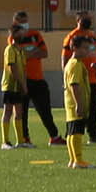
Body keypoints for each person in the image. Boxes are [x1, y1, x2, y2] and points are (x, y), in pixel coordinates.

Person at [12, 10, 60, 145]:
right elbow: (18, 56)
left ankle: (54, 136)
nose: (25, 24)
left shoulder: (35, 35)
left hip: (38, 79)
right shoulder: (13, 38)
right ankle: (25, 138)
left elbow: (44, 53)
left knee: (45, 110)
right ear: (15, 23)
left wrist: (28, 54)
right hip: (23, 79)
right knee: (23, 111)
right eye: (21, 22)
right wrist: (34, 52)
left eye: (26, 21)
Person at [60, 12, 96, 145]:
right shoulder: (72, 36)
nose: (88, 21)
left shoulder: (92, 35)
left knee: (92, 108)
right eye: (86, 19)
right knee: (78, 107)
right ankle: (71, 133)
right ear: (78, 20)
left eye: (89, 19)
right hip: (78, 77)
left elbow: (94, 56)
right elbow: (65, 57)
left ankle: (93, 134)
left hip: (91, 77)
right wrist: (66, 76)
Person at [61, 28, 96, 170]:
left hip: (70, 104)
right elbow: (75, 85)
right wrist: (79, 104)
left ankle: (72, 159)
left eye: (88, 48)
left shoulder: (72, 63)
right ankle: (78, 160)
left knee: (70, 132)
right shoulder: (75, 64)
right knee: (76, 132)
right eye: (84, 48)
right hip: (75, 103)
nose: (87, 51)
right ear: (74, 48)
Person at [0, 24, 29, 150]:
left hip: (18, 86)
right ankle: (5, 142)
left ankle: (20, 141)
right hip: (10, 86)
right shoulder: (10, 49)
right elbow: (13, 68)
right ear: (14, 34)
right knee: (8, 111)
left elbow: (23, 69)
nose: (23, 35)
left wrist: (24, 84)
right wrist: (22, 83)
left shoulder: (21, 51)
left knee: (19, 112)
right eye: (20, 33)